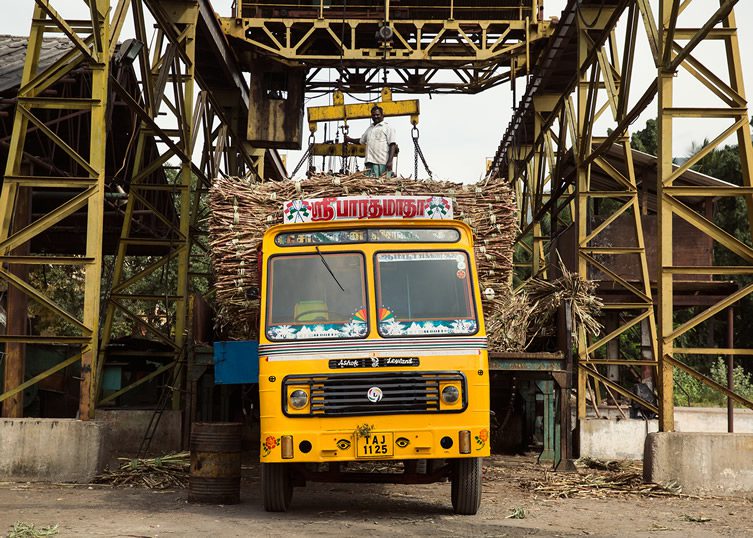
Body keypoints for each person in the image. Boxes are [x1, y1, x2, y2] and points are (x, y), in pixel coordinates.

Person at [346, 105, 397, 177]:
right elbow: (361, 141)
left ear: (383, 115)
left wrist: (390, 162)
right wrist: (349, 139)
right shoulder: (369, 129)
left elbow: (392, 145)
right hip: (369, 163)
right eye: (373, 115)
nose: (375, 116)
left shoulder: (388, 128)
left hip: (382, 163)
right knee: (371, 183)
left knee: (382, 183)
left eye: (377, 115)